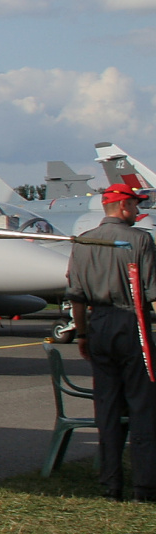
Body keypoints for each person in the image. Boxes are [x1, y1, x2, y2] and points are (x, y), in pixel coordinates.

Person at [66, 183, 156, 501]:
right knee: (142, 406)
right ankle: (145, 486)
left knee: (106, 406)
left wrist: (83, 333)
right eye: (135, 203)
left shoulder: (82, 241)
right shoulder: (141, 240)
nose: (138, 209)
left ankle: (111, 484)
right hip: (133, 324)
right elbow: (152, 293)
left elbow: (76, 295)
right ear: (121, 207)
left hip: (99, 324)